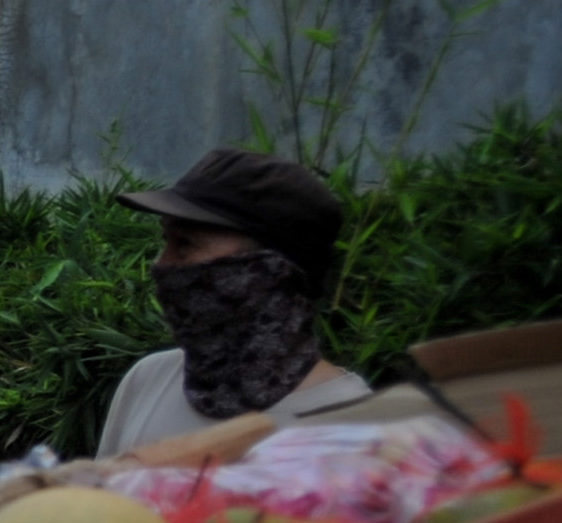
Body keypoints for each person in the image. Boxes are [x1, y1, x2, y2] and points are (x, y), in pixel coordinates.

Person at [98, 148, 373, 455]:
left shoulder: (353, 425)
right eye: (167, 241)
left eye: (185, 244)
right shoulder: (147, 380)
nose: (162, 264)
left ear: (268, 273)